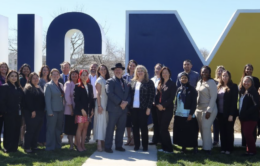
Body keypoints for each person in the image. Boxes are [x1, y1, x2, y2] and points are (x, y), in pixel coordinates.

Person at [104, 63, 131, 153]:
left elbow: (130, 95)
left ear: (122, 71)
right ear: (114, 71)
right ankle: (108, 146)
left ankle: (119, 146)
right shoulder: (110, 81)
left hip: (123, 110)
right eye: (116, 70)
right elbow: (109, 93)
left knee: (121, 128)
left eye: (119, 69)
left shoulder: (126, 82)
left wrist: (126, 102)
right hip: (113, 109)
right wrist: (120, 102)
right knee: (110, 128)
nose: (118, 71)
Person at [129, 65, 155, 151]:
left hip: (144, 108)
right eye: (138, 71)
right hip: (134, 109)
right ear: (136, 72)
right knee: (135, 127)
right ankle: (137, 145)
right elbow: (129, 95)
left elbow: (151, 96)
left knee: (143, 127)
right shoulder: (132, 82)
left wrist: (149, 108)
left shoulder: (149, 82)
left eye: (142, 71)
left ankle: (145, 146)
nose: (140, 72)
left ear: (145, 72)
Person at [173, 72, 198, 154]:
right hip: (179, 113)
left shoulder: (192, 89)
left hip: (188, 114)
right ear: (180, 79)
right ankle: (183, 147)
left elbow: (194, 103)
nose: (183, 79)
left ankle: (194, 146)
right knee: (182, 131)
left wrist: (191, 114)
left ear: (188, 79)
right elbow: (176, 101)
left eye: (185, 78)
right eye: (182, 78)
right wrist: (175, 111)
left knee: (191, 131)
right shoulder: (179, 89)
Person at [195, 66, 218, 154]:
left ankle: (207, 149)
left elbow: (213, 97)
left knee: (206, 127)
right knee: (201, 128)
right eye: (202, 72)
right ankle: (206, 145)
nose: (204, 73)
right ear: (200, 73)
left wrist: (209, 110)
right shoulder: (199, 82)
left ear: (209, 73)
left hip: (209, 108)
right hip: (198, 109)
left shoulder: (211, 82)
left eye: (206, 72)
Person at [0, 70, 24, 153]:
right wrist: (5, 111)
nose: (14, 78)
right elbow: (2, 101)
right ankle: (8, 148)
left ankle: (14, 147)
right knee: (9, 130)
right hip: (9, 113)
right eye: (12, 76)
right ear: (8, 77)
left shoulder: (18, 87)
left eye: (15, 76)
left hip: (18, 112)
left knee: (16, 129)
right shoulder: (4, 87)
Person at [155, 67, 176, 153]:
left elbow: (171, 98)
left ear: (169, 74)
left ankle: (169, 149)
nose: (164, 74)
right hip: (159, 109)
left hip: (167, 109)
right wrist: (157, 105)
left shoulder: (172, 84)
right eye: (163, 73)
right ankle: (164, 148)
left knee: (164, 128)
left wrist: (163, 105)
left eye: (166, 72)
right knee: (161, 128)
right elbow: (156, 96)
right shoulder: (160, 83)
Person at [216, 70, 238, 154]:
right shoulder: (219, 86)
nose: (224, 77)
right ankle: (223, 148)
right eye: (223, 76)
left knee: (229, 131)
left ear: (229, 77)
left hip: (229, 114)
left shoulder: (233, 86)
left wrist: (231, 114)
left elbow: (234, 102)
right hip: (220, 113)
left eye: (226, 76)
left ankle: (229, 148)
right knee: (222, 131)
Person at [23, 72, 45, 153]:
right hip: (31, 112)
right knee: (30, 130)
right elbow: (28, 101)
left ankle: (34, 146)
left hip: (40, 112)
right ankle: (27, 147)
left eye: (37, 78)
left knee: (37, 130)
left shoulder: (39, 87)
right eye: (34, 78)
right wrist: (32, 111)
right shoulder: (28, 88)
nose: (36, 79)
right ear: (30, 79)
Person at [74, 69, 94, 152]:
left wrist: (92, 109)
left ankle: (83, 145)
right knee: (80, 128)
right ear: (80, 76)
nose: (85, 76)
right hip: (80, 111)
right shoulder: (77, 86)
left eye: (86, 74)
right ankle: (78, 145)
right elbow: (76, 100)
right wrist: (82, 109)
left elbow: (92, 99)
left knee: (86, 128)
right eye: (83, 74)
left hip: (88, 111)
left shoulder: (90, 86)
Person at [239, 64, 260, 145]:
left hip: (251, 108)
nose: (248, 70)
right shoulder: (241, 80)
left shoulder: (256, 80)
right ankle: (245, 144)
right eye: (247, 69)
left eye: (250, 69)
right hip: (244, 107)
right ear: (244, 70)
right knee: (244, 128)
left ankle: (251, 146)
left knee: (251, 129)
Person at [44, 69, 64, 151]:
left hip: (60, 110)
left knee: (58, 129)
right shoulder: (48, 85)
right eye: (54, 74)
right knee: (51, 129)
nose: (55, 76)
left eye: (57, 74)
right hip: (52, 111)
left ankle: (57, 146)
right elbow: (47, 99)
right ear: (51, 76)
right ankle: (49, 147)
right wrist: (49, 112)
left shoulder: (60, 85)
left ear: (59, 76)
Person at [93, 65, 110, 151]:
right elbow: (98, 94)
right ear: (99, 71)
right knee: (100, 122)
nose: (103, 71)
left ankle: (103, 140)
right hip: (101, 102)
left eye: (104, 69)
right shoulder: (99, 80)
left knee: (105, 122)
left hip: (106, 102)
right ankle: (99, 142)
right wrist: (99, 106)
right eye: (101, 69)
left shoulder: (106, 80)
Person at [123, 59, 137, 146]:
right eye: (130, 65)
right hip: (126, 102)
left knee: (134, 122)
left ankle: (134, 139)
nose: (132, 67)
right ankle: (128, 139)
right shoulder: (124, 77)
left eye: (133, 66)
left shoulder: (138, 77)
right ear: (128, 66)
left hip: (135, 102)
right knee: (127, 122)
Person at [64, 69, 79, 150]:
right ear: (70, 75)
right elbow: (67, 97)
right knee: (70, 128)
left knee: (76, 127)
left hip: (78, 109)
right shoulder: (68, 83)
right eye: (72, 74)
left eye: (75, 74)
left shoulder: (79, 83)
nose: (74, 76)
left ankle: (76, 143)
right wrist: (71, 109)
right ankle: (71, 145)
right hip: (70, 110)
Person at [149, 63, 163, 145]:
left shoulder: (164, 79)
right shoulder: (152, 79)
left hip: (160, 105)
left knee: (161, 122)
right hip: (153, 104)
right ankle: (155, 140)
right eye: (156, 69)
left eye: (159, 68)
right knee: (155, 122)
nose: (157, 70)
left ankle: (161, 140)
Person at [18, 63, 31, 146]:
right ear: (21, 70)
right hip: (23, 104)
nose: (26, 70)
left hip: (29, 104)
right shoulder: (21, 79)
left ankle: (26, 140)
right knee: (23, 124)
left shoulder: (30, 79)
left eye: (27, 69)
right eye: (24, 69)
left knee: (27, 124)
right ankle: (21, 140)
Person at [37, 65, 50, 146]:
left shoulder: (50, 80)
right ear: (41, 71)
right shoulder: (39, 80)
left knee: (47, 124)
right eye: (43, 70)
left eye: (46, 70)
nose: (45, 71)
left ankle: (45, 140)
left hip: (49, 105)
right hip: (41, 105)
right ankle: (40, 140)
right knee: (42, 124)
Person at [213, 66, 225, 146]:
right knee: (215, 125)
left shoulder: (225, 82)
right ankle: (216, 140)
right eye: (218, 71)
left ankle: (223, 141)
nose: (220, 72)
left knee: (223, 126)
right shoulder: (213, 81)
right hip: (214, 106)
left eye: (221, 71)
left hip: (223, 108)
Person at [86, 63, 98, 143]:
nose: (93, 68)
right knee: (88, 118)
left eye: (94, 67)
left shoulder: (99, 77)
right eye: (91, 67)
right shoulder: (86, 77)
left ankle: (97, 136)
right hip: (89, 100)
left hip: (97, 100)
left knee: (97, 118)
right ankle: (87, 136)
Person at [0, 62, 9, 150]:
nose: (4, 68)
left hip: (8, 107)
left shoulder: (10, 78)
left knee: (7, 127)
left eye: (5, 67)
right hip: (1, 106)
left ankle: (6, 145)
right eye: (2, 67)